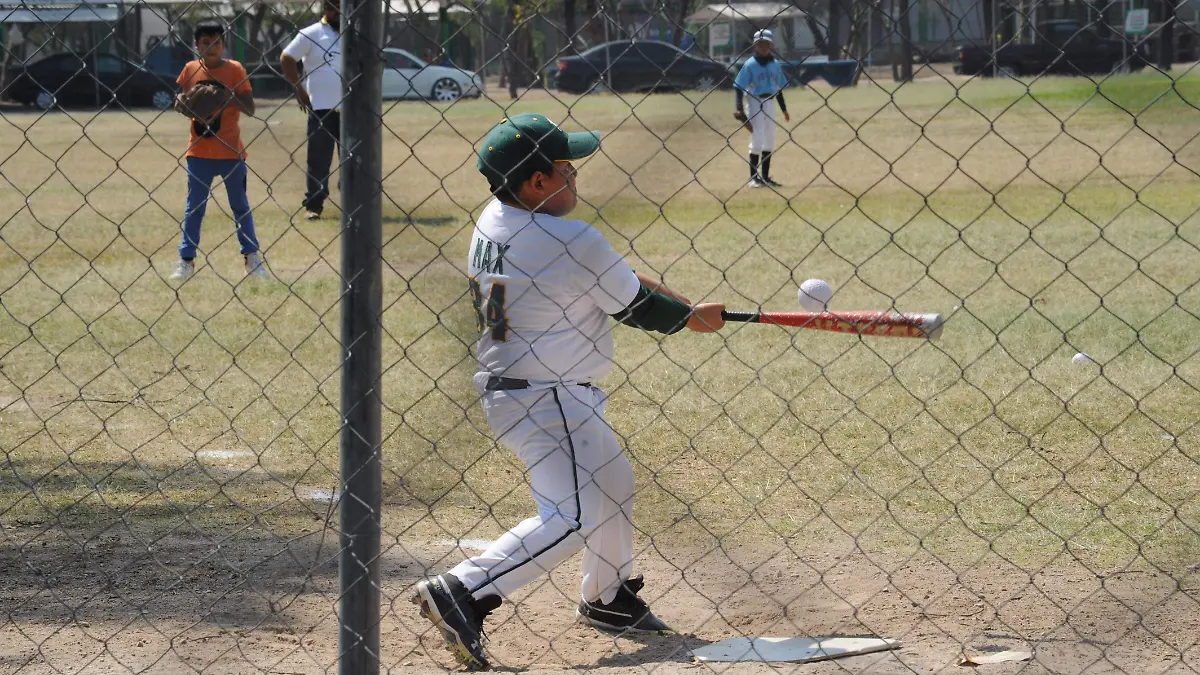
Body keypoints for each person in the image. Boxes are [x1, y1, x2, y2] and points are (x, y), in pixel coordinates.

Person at [410, 114, 727, 670]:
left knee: (612, 482)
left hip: (517, 386)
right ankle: (463, 589)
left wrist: (686, 307)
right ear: (536, 182)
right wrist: (689, 318)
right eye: (565, 169)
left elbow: (616, 279)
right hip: (548, 393)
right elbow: (639, 307)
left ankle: (607, 596)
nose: (575, 178)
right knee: (572, 515)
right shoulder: (572, 238)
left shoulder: (495, 218)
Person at [172, 23, 265, 280]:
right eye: (205, 42)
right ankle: (186, 261)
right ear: (196, 45)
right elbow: (183, 100)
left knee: (240, 206)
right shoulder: (190, 69)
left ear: (224, 45)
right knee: (194, 208)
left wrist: (224, 97)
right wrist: (182, 103)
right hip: (199, 151)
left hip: (230, 153)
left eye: (216, 43)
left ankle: (252, 259)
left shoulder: (235, 70)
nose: (210, 48)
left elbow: (250, 108)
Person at [281, 0, 341, 221]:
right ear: (325, 9)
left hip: (354, 108)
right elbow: (287, 58)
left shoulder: (356, 34)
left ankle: (357, 201)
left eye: (340, 7)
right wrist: (299, 89)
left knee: (355, 159)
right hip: (321, 107)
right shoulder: (312, 33)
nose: (336, 12)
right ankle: (314, 205)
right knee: (318, 158)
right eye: (332, 7)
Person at [734, 29, 791, 188]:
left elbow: (778, 88)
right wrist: (740, 109)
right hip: (754, 101)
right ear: (755, 46)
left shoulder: (775, 64)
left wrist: (784, 109)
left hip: (769, 102)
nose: (764, 47)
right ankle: (753, 178)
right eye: (760, 44)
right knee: (757, 137)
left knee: (770, 138)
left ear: (771, 45)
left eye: (766, 43)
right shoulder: (750, 65)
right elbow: (739, 87)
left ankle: (765, 177)